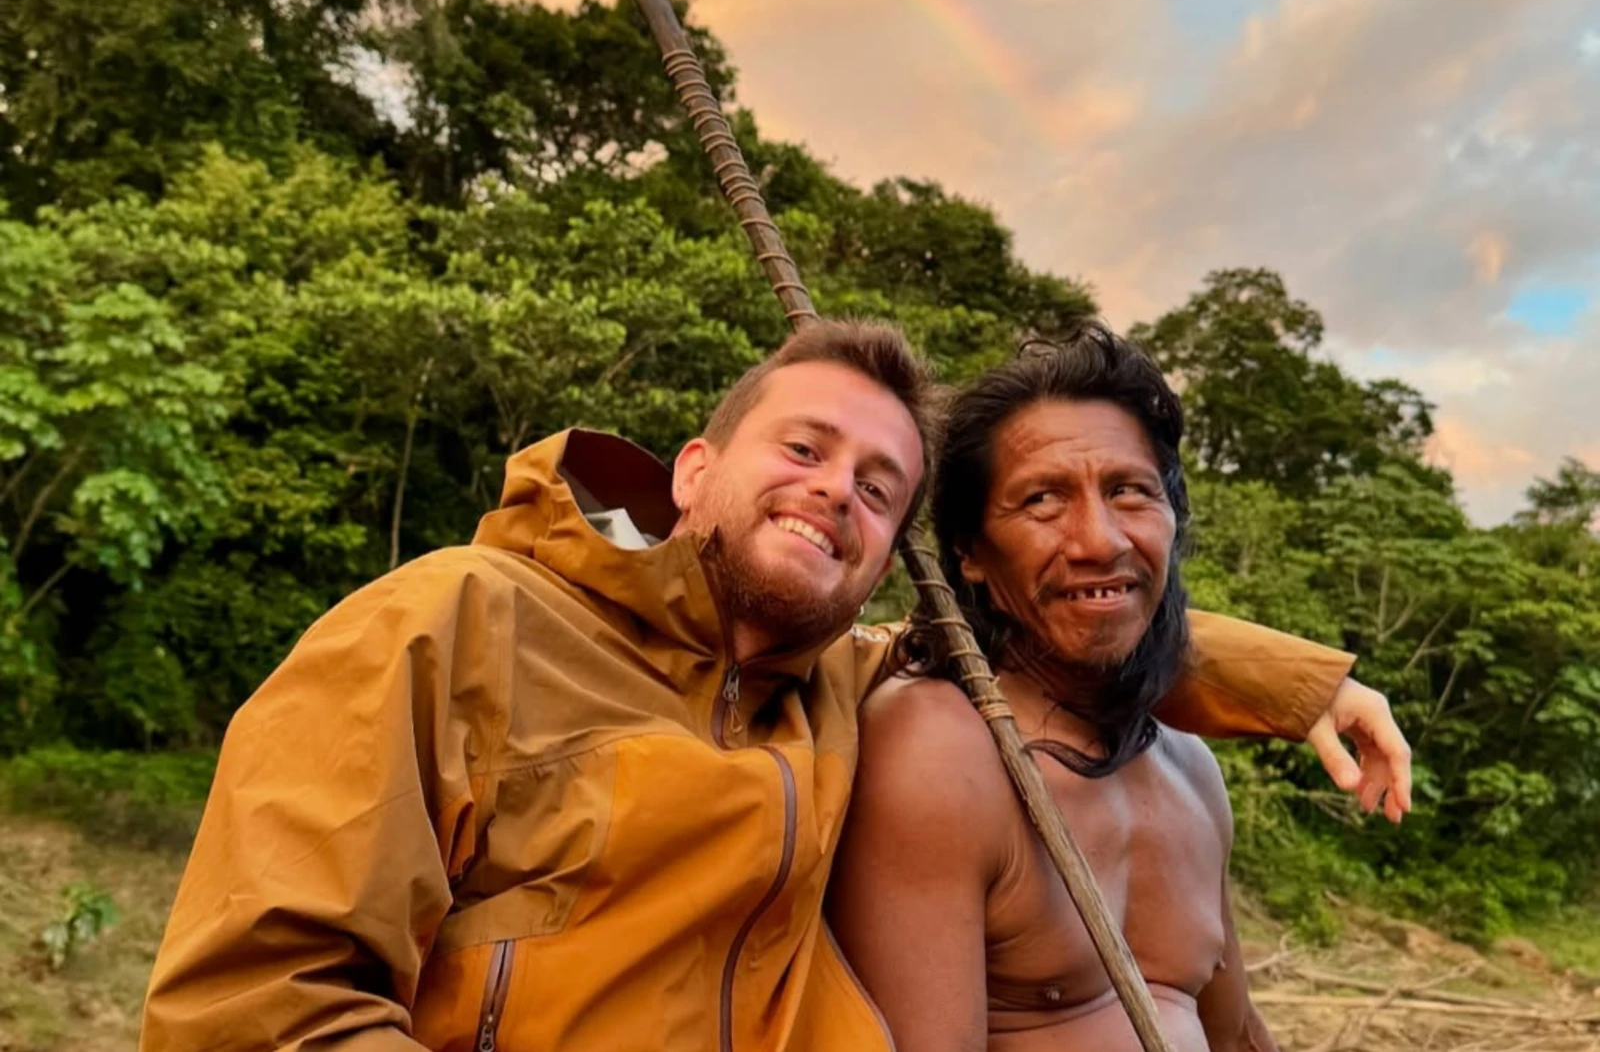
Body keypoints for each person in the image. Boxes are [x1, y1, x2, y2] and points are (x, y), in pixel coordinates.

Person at [140, 319, 1408, 1052]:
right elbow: (257, 1001)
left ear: (896, 550)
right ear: (691, 470)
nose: (833, 490)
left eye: (876, 486)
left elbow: (1057, 618)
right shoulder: (448, 622)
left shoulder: (841, 691)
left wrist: (1303, 687)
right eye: (802, 448)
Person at [827, 325, 1381, 1052]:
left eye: (1129, 491)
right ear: (969, 554)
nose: (1101, 540)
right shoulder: (941, 750)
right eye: (1042, 501)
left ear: (1172, 519)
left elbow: (1235, 1031)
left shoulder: (1190, 767)